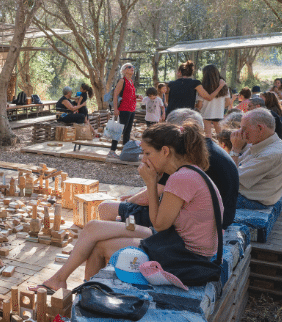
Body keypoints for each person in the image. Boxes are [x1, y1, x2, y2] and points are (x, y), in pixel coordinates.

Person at [39, 122, 221, 292]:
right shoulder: (188, 172)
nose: (144, 159)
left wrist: (150, 183)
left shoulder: (181, 178)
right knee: (93, 227)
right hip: (173, 241)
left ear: (165, 151)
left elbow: (159, 225)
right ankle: (59, 279)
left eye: (148, 153)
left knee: (99, 247)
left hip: (185, 256)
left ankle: (89, 297)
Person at [100, 109, 238, 231]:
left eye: (147, 153)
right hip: (220, 219)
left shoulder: (180, 158)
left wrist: (130, 200)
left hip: (204, 227)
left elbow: (154, 213)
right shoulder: (203, 148)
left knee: (105, 208)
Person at [229, 108, 282, 208]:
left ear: (260, 128)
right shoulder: (262, 144)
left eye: (244, 129)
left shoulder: (272, 153)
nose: (241, 132)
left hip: (252, 200)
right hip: (248, 196)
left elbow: (231, 178)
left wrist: (235, 149)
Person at [109, 63, 140, 158]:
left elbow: (130, 95)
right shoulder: (122, 81)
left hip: (131, 109)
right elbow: (115, 94)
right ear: (124, 70)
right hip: (123, 109)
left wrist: (138, 96)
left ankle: (125, 151)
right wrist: (115, 109)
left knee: (127, 131)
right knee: (119, 131)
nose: (132, 68)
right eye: (130, 67)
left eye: (133, 67)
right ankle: (112, 151)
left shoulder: (131, 82)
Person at [196, 65, 231, 137]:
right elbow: (228, 102)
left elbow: (199, 105)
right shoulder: (224, 86)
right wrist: (220, 107)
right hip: (219, 114)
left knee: (208, 136)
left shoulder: (202, 87)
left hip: (205, 114)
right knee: (221, 136)